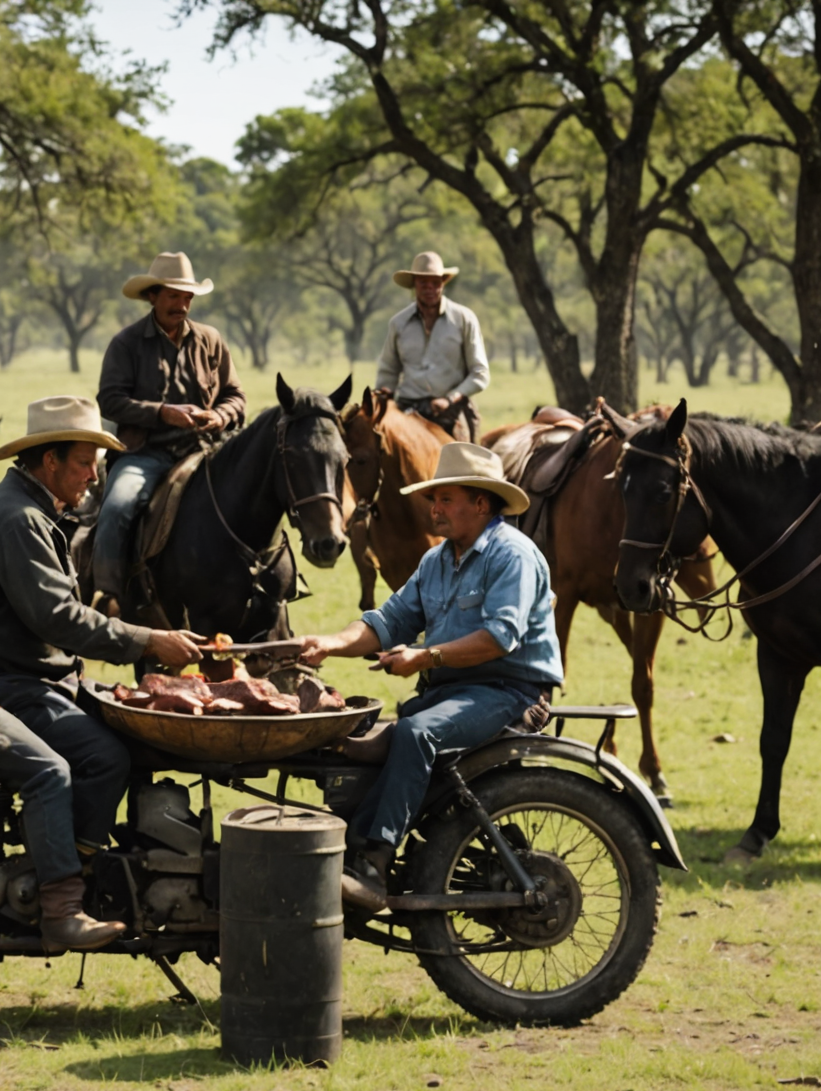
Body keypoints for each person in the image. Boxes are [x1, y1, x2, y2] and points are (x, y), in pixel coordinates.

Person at [0, 396, 208, 950]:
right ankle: (59, 902)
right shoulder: (17, 519)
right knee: (70, 766)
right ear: (48, 462)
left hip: (17, 673)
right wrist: (148, 641)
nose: (93, 475)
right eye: (83, 462)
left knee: (112, 744)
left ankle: (72, 870)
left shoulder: (27, 508)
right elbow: (58, 619)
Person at [297, 442, 562, 910]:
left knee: (416, 734)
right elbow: (387, 622)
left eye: (445, 499)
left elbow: (501, 638)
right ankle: (340, 848)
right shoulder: (436, 561)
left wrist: (425, 658)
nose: (434, 508)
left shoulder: (512, 555)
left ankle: (373, 866)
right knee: (357, 739)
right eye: (433, 499)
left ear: (481, 503)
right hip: (453, 692)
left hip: (512, 692)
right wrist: (330, 644)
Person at [91, 251, 246, 608]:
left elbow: (236, 395)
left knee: (257, 492)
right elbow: (110, 401)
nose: (182, 305)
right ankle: (109, 595)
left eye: (187, 297)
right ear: (152, 296)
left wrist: (220, 416)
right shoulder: (126, 344)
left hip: (206, 451)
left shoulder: (211, 340)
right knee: (117, 505)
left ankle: (265, 588)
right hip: (145, 453)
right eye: (174, 296)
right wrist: (163, 413)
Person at [375, 252, 491, 441]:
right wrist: (383, 396)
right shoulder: (398, 323)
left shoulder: (464, 319)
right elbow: (388, 371)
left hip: (452, 409)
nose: (430, 288)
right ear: (414, 284)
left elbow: (480, 373)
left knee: (467, 465)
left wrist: (450, 398)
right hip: (408, 409)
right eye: (423, 283)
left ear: (443, 283)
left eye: (435, 282)